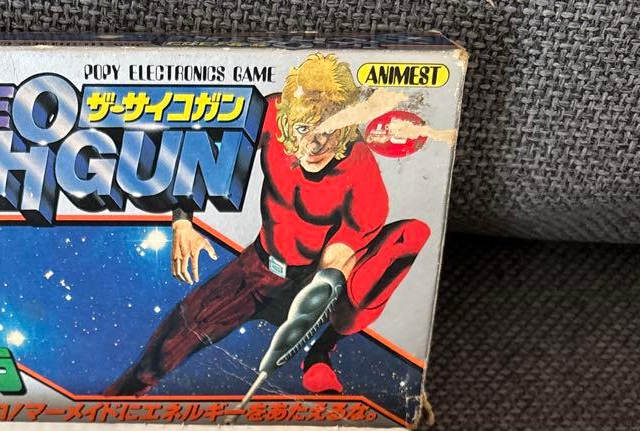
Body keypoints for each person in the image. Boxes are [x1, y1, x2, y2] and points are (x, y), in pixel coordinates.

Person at [104, 53, 430, 397]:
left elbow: (334, 264)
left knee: (410, 235)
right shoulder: (270, 112)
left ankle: (320, 352)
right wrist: (183, 220)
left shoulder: (363, 175)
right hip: (257, 270)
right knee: (160, 356)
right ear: (288, 122)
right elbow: (205, 149)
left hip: (314, 280)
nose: (315, 144)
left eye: (329, 131)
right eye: (304, 129)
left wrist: (315, 301)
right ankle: (111, 403)